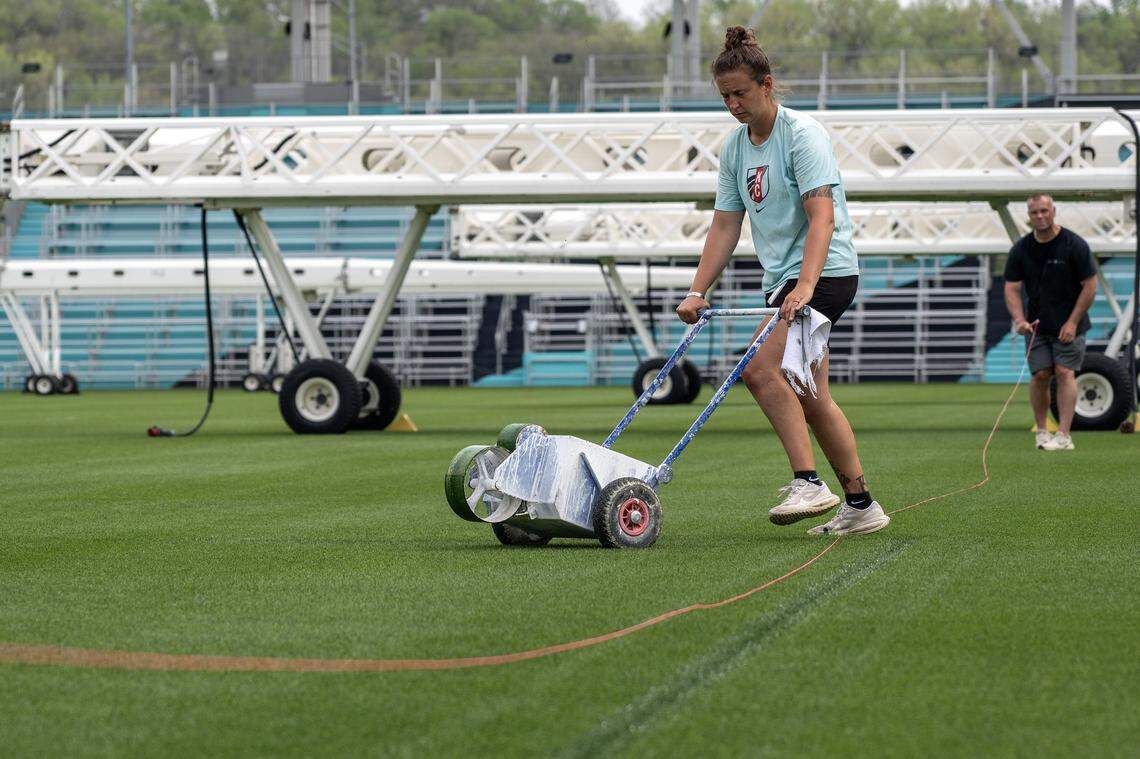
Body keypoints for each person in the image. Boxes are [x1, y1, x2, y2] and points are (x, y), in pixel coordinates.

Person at [676, 26, 887, 536]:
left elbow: (823, 218)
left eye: (741, 93)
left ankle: (808, 481)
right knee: (811, 396)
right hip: (785, 283)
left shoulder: (803, 135)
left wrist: (807, 287)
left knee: (758, 370)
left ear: (766, 85)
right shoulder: (734, 149)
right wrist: (697, 289)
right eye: (724, 96)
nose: (732, 105)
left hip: (827, 273)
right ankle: (861, 506)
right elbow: (726, 224)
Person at [1003, 194, 1097, 451]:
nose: (1041, 216)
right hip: (1036, 327)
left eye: (1045, 211)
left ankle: (1064, 435)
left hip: (1069, 324)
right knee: (1040, 375)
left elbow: (1089, 286)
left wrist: (1073, 322)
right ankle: (1042, 432)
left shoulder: (1074, 245)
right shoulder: (1021, 249)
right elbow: (1011, 287)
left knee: (1065, 373)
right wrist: (1019, 320)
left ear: (1054, 211)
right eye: (1035, 212)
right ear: (1029, 215)